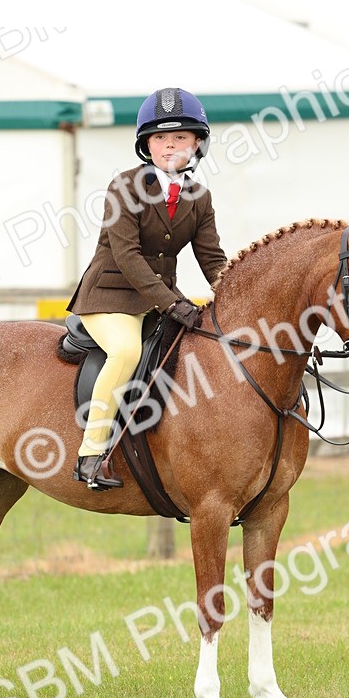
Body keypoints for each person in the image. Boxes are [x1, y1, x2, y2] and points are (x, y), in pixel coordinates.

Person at [66, 87, 227, 490]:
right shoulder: (125, 186)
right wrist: (174, 304)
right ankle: (90, 456)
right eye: (160, 138)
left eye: (179, 138)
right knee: (125, 351)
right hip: (110, 297)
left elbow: (212, 259)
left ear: (197, 144)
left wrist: (235, 294)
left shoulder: (199, 198)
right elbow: (128, 256)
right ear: (147, 145)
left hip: (157, 303)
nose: (169, 146)